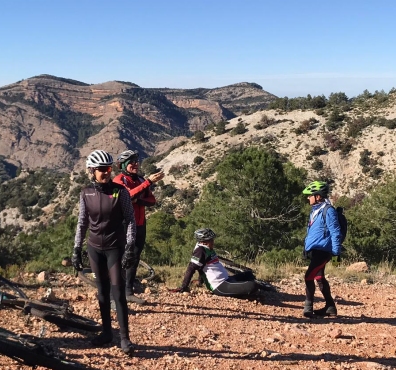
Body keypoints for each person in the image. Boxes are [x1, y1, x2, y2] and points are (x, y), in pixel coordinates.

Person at [72, 150, 138, 354]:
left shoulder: (121, 192)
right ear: (91, 171)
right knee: (102, 293)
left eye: (108, 168)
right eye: (101, 169)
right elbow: (82, 223)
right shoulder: (85, 193)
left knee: (118, 294)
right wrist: (76, 248)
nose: (105, 173)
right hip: (94, 249)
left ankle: (125, 338)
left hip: (115, 249)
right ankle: (107, 332)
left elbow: (130, 220)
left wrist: (130, 246)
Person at [112, 149, 164, 305]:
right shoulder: (119, 180)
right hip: (124, 224)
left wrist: (137, 200)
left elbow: (152, 200)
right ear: (123, 165)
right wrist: (148, 183)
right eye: (131, 162)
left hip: (140, 224)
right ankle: (115, 290)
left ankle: (128, 291)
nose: (135, 164)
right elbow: (126, 196)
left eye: (137, 161)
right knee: (122, 257)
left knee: (134, 257)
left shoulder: (140, 180)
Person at [172, 228, 258, 297]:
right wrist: (183, 286)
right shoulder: (200, 251)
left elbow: (201, 267)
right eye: (210, 240)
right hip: (220, 285)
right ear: (203, 242)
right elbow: (191, 268)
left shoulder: (207, 249)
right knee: (253, 286)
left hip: (227, 279)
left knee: (249, 274)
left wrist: (199, 281)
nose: (213, 242)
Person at [302, 180, 342, 318]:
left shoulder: (328, 210)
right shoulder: (315, 211)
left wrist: (336, 254)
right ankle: (330, 307)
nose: (308, 197)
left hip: (323, 251)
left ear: (318, 196)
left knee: (308, 277)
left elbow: (336, 232)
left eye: (310, 195)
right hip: (315, 250)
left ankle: (308, 307)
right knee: (319, 277)